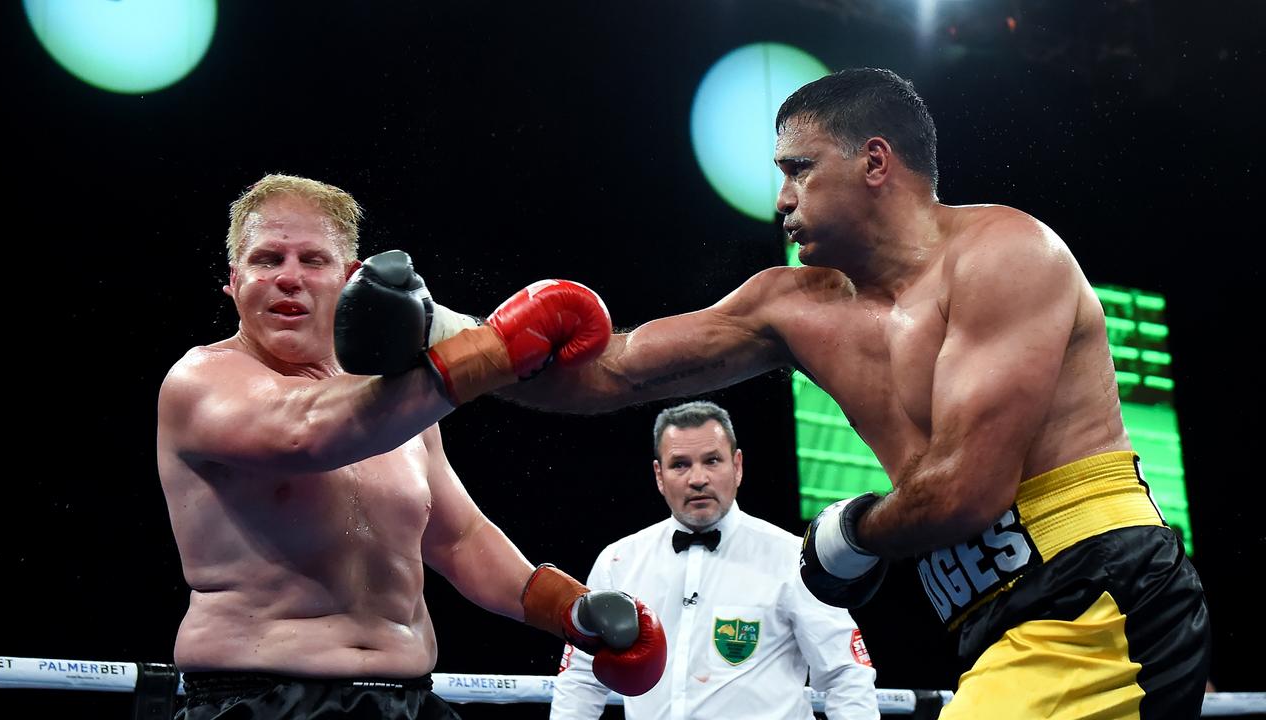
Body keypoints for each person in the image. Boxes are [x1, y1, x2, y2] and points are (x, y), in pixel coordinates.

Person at [482, 68, 1208, 718]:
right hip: (997, 620)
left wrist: (849, 535)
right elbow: (612, 370)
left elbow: (966, 490)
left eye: (799, 169)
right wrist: (446, 345)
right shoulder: (791, 306)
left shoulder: (1005, 254)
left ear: (874, 161)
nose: (781, 198)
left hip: (1099, 590)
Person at [157, 174, 665, 719]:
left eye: (312, 260)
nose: (288, 278)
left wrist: (571, 610)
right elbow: (304, 432)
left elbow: (460, 540)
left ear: (350, 277)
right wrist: (495, 349)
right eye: (266, 260)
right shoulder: (200, 380)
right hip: (258, 697)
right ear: (234, 281)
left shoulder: (398, 407)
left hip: (407, 699)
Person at [550, 401, 879, 720]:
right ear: (659, 475)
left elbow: (845, 674)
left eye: (712, 461)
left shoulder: (794, 558)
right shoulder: (618, 561)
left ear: (737, 467)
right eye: (680, 464)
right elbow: (580, 680)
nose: (697, 478)